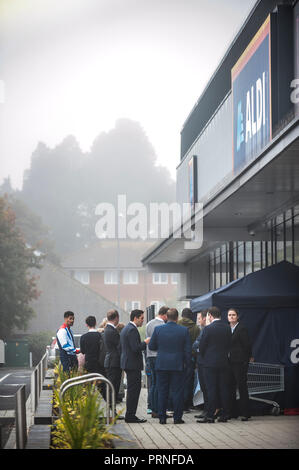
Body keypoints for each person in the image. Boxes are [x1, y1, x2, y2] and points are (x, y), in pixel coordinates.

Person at [148, 308, 192, 425]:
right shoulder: (184, 330)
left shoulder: (158, 329)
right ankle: (177, 418)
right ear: (177, 318)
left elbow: (151, 346)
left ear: (166, 317)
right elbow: (188, 350)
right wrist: (187, 365)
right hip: (177, 365)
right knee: (177, 391)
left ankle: (162, 417)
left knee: (162, 391)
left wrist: (162, 349)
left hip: (161, 364)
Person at [196, 306, 231, 423]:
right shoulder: (227, 328)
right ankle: (225, 415)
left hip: (210, 363)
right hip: (224, 362)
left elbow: (202, 347)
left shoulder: (208, 329)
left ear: (210, 316)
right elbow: (229, 344)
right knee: (224, 389)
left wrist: (206, 355)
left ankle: (210, 416)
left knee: (211, 389)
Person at [120, 309, 151, 423]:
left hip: (128, 363)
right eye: (142, 318)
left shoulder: (126, 328)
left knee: (133, 390)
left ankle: (130, 414)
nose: (143, 321)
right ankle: (130, 415)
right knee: (134, 391)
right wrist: (145, 342)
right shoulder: (132, 330)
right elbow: (135, 348)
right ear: (135, 318)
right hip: (133, 365)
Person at [227, 308, 253, 421]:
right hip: (229, 362)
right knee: (231, 387)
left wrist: (246, 360)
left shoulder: (241, 328)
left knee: (242, 387)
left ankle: (246, 413)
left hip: (240, 362)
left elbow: (247, 346)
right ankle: (233, 412)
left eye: (233, 315)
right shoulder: (227, 329)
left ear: (237, 316)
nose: (231, 317)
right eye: (229, 315)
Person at [145, 306, 169, 418]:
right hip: (158, 356)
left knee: (153, 383)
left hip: (149, 356)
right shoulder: (162, 326)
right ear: (164, 315)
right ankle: (158, 409)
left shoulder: (149, 324)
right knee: (159, 384)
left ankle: (152, 407)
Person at [178, 307, 200, 412]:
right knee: (188, 382)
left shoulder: (177, 324)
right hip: (190, 358)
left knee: (177, 382)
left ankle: (178, 404)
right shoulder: (196, 328)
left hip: (178, 357)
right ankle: (187, 405)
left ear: (182, 315)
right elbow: (197, 345)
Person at [103, 310, 122, 407]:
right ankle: (111, 410)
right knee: (113, 387)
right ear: (117, 318)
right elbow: (119, 347)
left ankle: (111, 410)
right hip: (114, 363)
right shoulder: (112, 330)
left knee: (112, 387)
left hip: (111, 361)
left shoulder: (108, 329)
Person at [193, 310, 209, 418]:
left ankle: (208, 410)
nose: (198, 321)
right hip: (202, 362)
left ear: (204, 318)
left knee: (207, 388)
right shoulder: (202, 330)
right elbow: (195, 344)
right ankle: (206, 410)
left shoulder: (206, 330)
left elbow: (198, 344)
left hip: (205, 362)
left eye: (199, 318)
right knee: (204, 388)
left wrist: (198, 346)